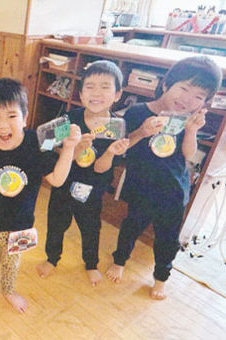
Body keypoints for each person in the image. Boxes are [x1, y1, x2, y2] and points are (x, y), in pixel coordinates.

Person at [0, 78, 81, 336]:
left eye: (12, 115)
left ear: (25, 118)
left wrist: (68, 149)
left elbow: (57, 180)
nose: (3, 125)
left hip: (22, 224)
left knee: (12, 266)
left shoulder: (37, 142)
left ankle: (8, 290)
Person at [106, 56, 223, 299]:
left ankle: (161, 277)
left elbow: (189, 155)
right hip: (141, 186)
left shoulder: (187, 121)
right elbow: (124, 146)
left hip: (173, 191)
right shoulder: (138, 112)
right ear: (166, 84)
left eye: (198, 97)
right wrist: (142, 131)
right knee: (130, 226)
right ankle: (119, 261)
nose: (187, 99)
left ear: (204, 103)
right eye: (184, 88)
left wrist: (191, 130)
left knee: (168, 238)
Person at [36, 60, 130, 286]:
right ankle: (52, 258)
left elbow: (100, 168)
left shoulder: (116, 126)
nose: (96, 93)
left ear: (118, 94)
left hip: (93, 189)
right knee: (56, 223)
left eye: (105, 87)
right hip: (63, 183)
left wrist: (109, 153)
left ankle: (90, 263)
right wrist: (73, 148)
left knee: (91, 227)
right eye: (90, 87)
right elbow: (42, 143)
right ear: (80, 93)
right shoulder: (70, 119)